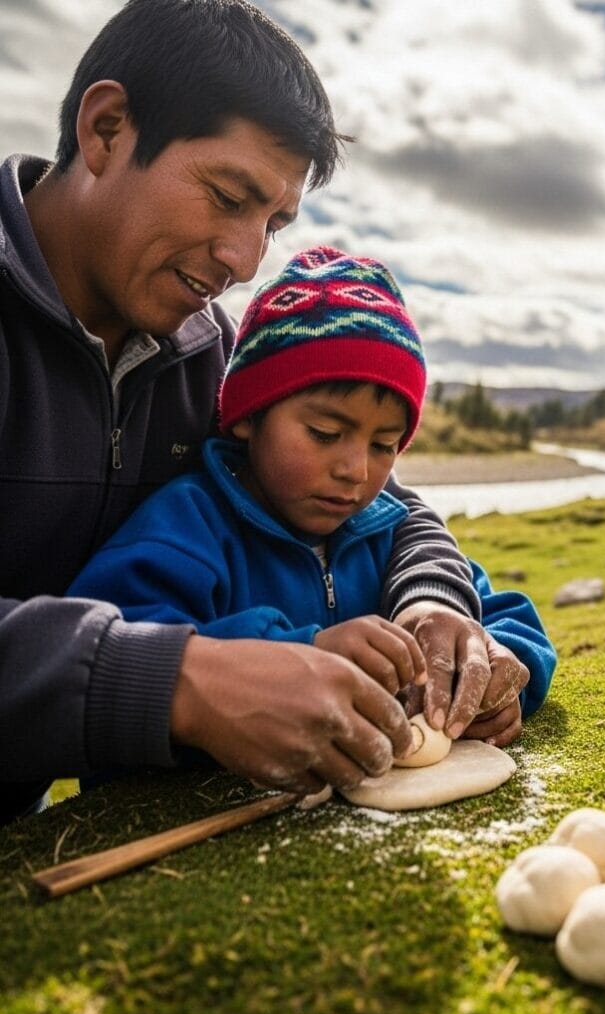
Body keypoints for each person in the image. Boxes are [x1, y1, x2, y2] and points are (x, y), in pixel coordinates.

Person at [0, 0, 518, 825]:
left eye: (273, 223)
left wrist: (434, 599)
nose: (244, 261)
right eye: (227, 196)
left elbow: (385, 506)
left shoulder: (205, 352)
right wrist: (180, 679)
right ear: (106, 130)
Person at [69, 247, 555, 764]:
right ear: (248, 416)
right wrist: (305, 650)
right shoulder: (185, 528)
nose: (356, 470)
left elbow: (505, 618)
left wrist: (491, 676)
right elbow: (117, 654)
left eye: (384, 444)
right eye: (326, 433)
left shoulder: (384, 531)